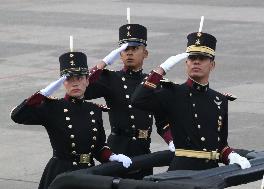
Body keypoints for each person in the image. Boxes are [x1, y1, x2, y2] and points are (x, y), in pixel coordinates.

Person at [10, 51, 132, 189]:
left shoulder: (94, 109)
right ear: (63, 83)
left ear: (87, 81)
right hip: (61, 174)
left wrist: (111, 156)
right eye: (69, 79)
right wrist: (42, 94)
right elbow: (17, 116)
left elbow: (98, 147)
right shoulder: (53, 107)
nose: (75, 83)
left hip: (87, 173)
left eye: (79, 78)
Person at [131, 31, 251, 171]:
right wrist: (161, 70)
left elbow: (220, 145)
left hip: (211, 173)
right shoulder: (173, 93)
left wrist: (231, 155)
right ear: (186, 63)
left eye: (202, 58)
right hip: (183, 172)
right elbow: (138, 100)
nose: (196, 61)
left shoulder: (219, 100)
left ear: (212, 65)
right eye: (192, 57)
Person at [84, 23, 174, 179]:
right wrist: (102, 63)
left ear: (145, 53)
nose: (129, 53)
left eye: (134, 49)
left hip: (142, 149)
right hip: (117, 148)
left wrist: (172, 141)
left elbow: (162, 122)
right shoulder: (111, 78)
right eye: (125, 49)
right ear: (120, 54)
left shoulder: (153, 83)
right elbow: (84, 89)